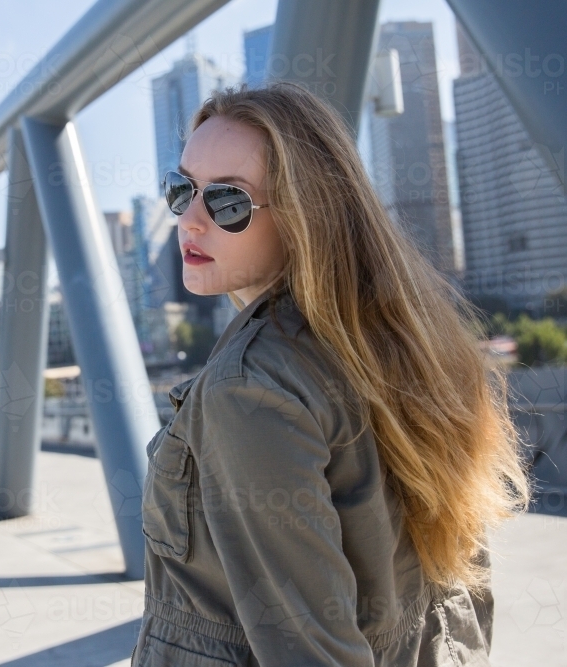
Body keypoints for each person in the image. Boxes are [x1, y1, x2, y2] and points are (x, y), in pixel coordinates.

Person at [130, 83, 531, 666]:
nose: (189, 221)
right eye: (181, 189)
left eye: (227, 203)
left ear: (303, 214)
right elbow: (460, 596)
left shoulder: (250, 390)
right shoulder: (404, 344)